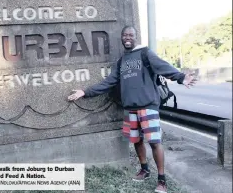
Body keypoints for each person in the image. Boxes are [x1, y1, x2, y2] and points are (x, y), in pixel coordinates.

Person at [67, 25, 197, 193]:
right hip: (130, 108)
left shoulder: (145, 53)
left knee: (155, 142)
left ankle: (162, 180)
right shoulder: (122, 61)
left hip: (148, 106)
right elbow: (108, 82)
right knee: (136, 141)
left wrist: (180, 77)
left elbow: (163, 67)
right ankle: (144, 169)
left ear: (135, 37)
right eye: (125, 35)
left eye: (131, 35)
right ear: (121, 38)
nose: (127, 37)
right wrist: (85, 92)